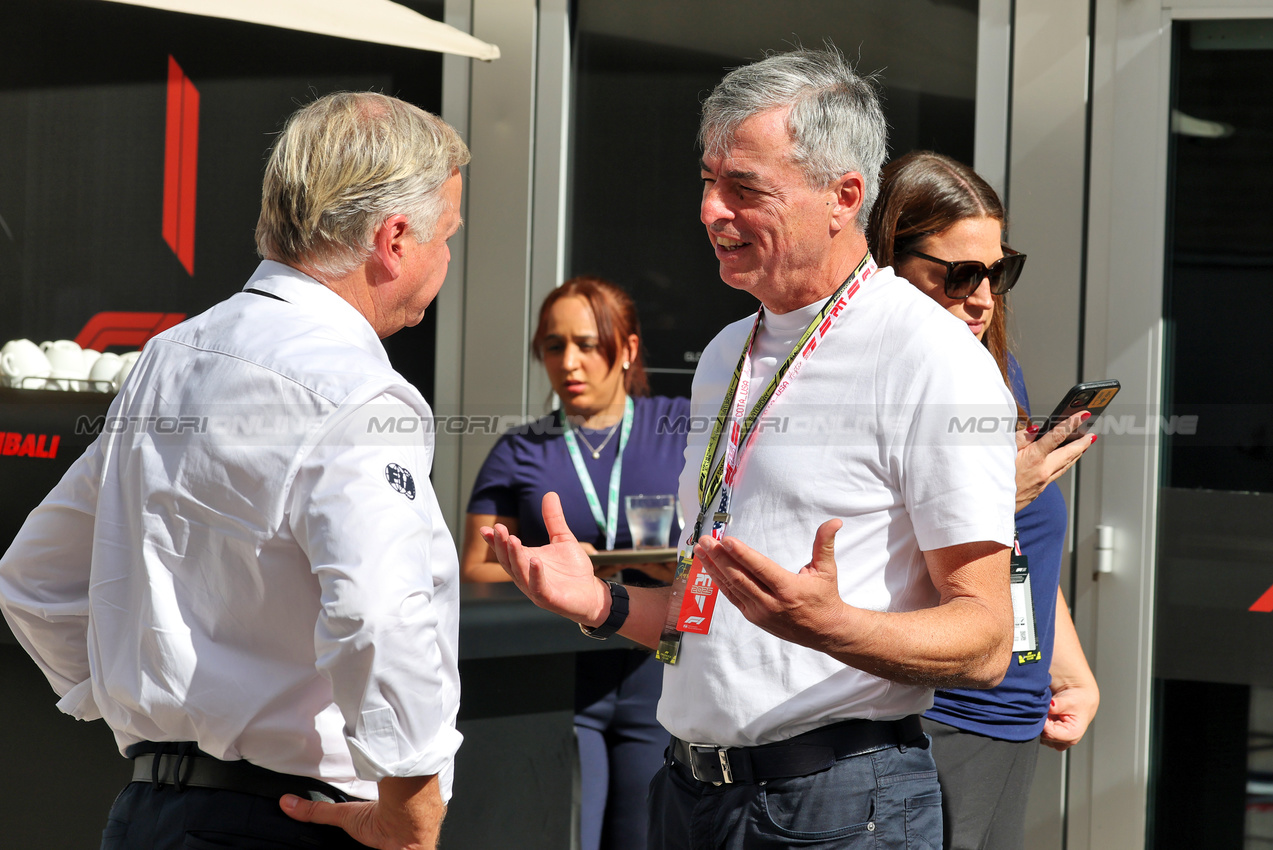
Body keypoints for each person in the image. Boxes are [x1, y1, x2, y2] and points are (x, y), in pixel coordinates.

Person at [481, 47, 1019, 849]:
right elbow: (709, 621)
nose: (709, 210)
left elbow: (984, 642)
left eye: (743, 188)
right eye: (708, 180)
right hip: (694, 794)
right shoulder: (729, 351)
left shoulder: (931, 358)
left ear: (843, 197)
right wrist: (601, 603)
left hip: (839, 802)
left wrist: (832, 624)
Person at [0, 92, 468, 850]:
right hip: (291, 820)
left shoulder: (171, 356)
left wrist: (151, 717)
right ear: (394, 238)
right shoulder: (360, 390)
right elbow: (380, 615)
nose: (447, 256)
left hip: (151, 813)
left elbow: (33, 575)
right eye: (446, 235)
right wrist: (412, 813)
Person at [868, 150, 1101, 850]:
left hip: (1012, 708)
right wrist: (1001, 492)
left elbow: (1014, 547)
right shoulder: (873, 379)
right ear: (889, 259)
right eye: (959, 274)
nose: (981, 296)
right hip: (934, 713)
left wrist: (1067, 670)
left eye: (996, 273)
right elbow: (862, 550)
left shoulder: (993, 373)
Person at [462, 276, 688, 850]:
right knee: (567, 836)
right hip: (561, 677)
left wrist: (677, 567)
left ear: (627, 350)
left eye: (588, 344)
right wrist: (547, 569)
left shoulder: (680, 426)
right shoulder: (521, 448)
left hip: (657, 669)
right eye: (554, 345)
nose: (570, 361)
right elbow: (476, 570)